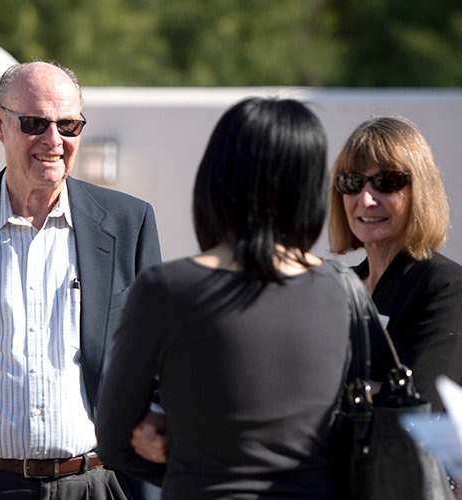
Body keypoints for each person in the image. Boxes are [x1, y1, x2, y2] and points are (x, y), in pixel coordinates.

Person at [0, 60, 162, 499]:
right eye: (35, 123)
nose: (53, 140)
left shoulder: (128, 222)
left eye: (69, 125)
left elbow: (156, 360)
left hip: (98, 484)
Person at [95, 97, 351, 499]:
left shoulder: (169, 289)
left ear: (216, 179)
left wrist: (187, 464)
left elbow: (113, 440)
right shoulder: (341, 290)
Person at [328, 116, 462, 412]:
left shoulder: (447, 287)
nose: (366, 199)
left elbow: (421, 404)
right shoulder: (334, 287)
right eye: (352, 182)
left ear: (420, 192)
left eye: (386, 182)